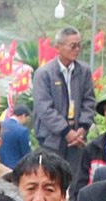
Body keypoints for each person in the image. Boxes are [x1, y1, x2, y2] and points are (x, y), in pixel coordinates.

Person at [31, 29, 95, 178]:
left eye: (79, 45)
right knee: (51, 179)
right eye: (73, 46)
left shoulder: (83, 71)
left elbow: (89, 101)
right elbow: (44, 108)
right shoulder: (44, 74)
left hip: (77, 139)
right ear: (58, 47)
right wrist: (66, 131)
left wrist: (83, 127)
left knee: (75, 181)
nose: (77, 50)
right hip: (52, 140)